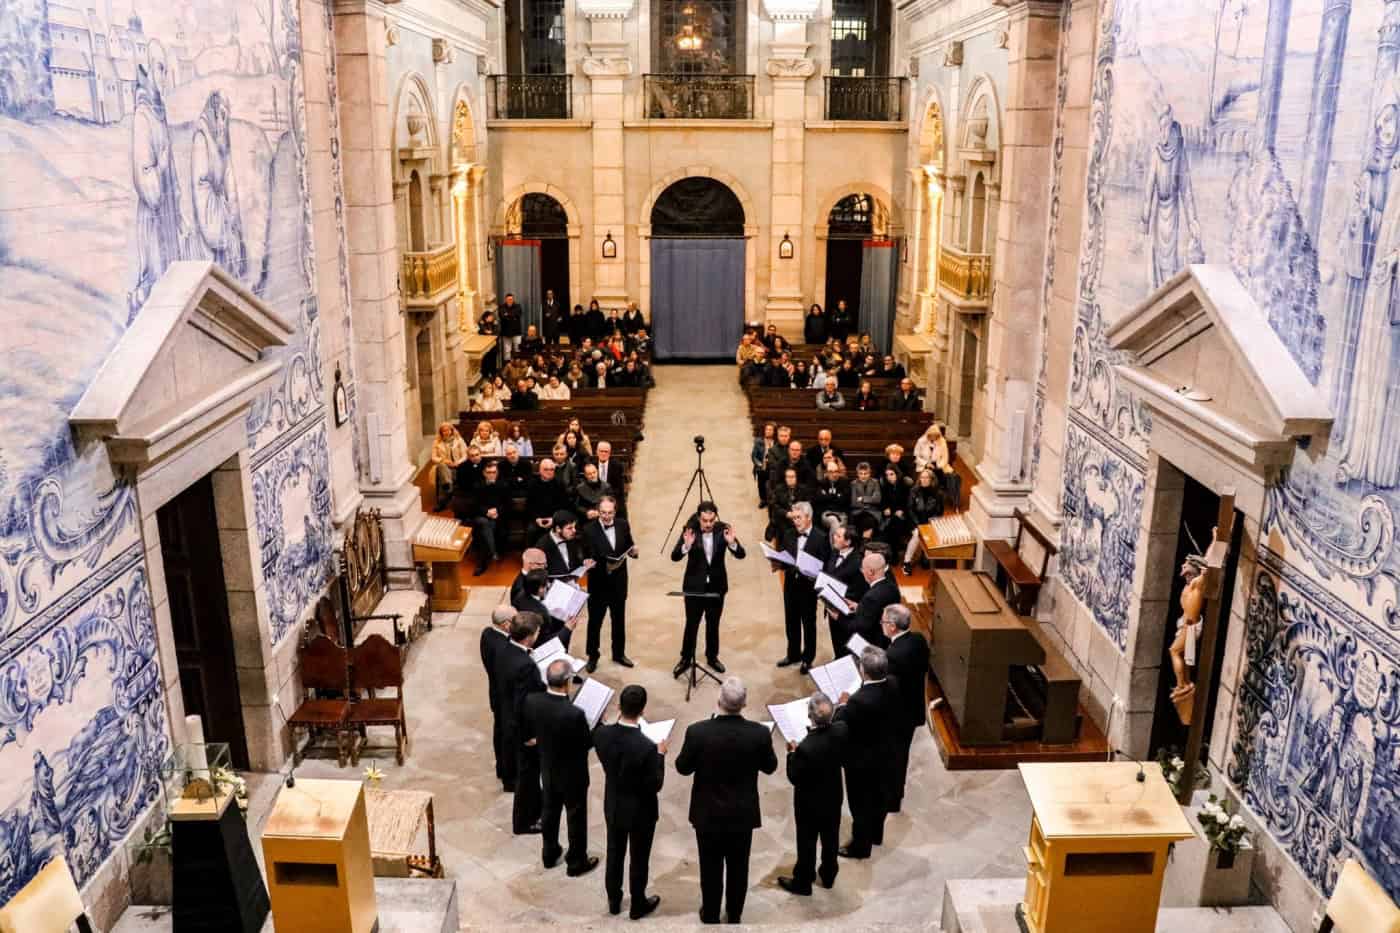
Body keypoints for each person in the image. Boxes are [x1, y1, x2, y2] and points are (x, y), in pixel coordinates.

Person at [674, 678, 778, 925]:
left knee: (709, 868)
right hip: (742, 815)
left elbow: (682, 767)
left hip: (707, 814)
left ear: (719, 700)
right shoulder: (759, 733)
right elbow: (771, 767)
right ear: (744, 704)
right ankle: (734, 913)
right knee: (738, 868)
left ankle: (709, 914)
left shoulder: (698, 732)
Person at [593, 685, 666, 919]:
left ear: (618, 707)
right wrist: (661, 755)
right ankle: (637, 904)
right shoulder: (647, 747)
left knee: (614, 853)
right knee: (639, 857)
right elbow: (655, 784)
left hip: (614, 805)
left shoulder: (602, 735)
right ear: (642, 711)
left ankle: (614, 901)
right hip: (640, 811)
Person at [522, 658, 599, 876]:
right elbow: (586, 743)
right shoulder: (574, 714)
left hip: (548, 767)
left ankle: (549, 853)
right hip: (572, 774)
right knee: (575, 816)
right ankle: (576, 862)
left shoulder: (533, 701)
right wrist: (598, 725)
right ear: (566, 682)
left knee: (550, 810)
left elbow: (531, 730)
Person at [778, 692, 847, 896]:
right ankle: (828, 874)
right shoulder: (841, 730)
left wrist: (791, 753)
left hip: (809, 804)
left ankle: (803, 881)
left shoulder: (805, 748)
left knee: (807, 841)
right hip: (833, 797)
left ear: (810, 717)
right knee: (831, 836)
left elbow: (794, 777)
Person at [834, 646, 900, 858]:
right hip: (886, 754)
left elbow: (839, 723)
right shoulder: (893, 684)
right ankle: (876, 834)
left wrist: (842, 705)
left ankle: (860, 847)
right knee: (879, 797)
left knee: (860, 804)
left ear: (863, 671)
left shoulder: (858, 701)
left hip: (862, 762)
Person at [670, 502, 745, 677]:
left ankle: (712, 657)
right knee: (692, 624)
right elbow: (674, 556)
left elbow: (742, 554)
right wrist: (686, 547)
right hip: (694, 588)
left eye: (711, 520)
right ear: (698, 518)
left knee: (713, 624)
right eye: (705, 520)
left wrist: (732, 544)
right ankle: (686, 658)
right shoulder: (690, 531)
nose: (709, 524)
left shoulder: (724, 530)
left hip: (717, 587)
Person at [494, 611, 545, 834]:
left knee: (528, 775)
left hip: (506, 719)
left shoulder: (505, 649)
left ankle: (534, 810)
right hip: (522, 730)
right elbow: (523, 704)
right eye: (537, 632)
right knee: (528, 776)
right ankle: (525, 822)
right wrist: (529, 736)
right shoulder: (525, 665)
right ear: (529, 637)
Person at [882, 604, 929, 813]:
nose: (881, 625)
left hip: (898, 715)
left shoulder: (893, 655)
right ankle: (896, 793)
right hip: (914, 706)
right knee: (901, 754)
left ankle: (892, 799)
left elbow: (887, 687)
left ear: (892, 627)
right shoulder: (918, 640)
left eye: (883, 622)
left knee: (894, 757)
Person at [581, 497, 637, 671]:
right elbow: (585, 553)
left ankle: (619, 653)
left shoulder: (622, 525)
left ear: (615, 511)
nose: (606, 516)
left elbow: (628, 544)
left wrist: (633, 552)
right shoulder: (588, 529)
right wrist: (587, 561)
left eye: (610, 513)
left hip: (619, 582)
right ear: (598, 511)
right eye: (603, 512)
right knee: (595, 622)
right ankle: (592, 655)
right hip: (599, 583)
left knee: (618, 620)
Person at [777, 502, 831, 673]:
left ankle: (808, 658)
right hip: (790, 586)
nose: (795, 521)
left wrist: (814, 573)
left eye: (799, 518)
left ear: (809, 517)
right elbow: (785, 556)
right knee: (791, 622)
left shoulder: (821, 537)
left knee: (808, 624)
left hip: (808, 588)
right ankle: (793, 654)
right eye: (794, 518)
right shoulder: (788, 534)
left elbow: (826, 565)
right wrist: (777, 562)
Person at [482, 606, 516, 790]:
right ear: (505, 625)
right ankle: (509, 780)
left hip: (495, 693)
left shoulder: (487, 634)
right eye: (515, 620)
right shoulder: (504, 648)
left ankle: (501, 767)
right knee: (508, 738)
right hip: (505, 698)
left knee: (500, 732)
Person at [841, 552, 900, 652]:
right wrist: (859, 607)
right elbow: (876, 611)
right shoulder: (892, 587)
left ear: (871, 572)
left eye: (862, 569)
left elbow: (861, 627)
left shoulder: (871, 596)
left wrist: (838, 617)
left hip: (873, 646)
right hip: (889, 641)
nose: (862, 571)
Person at [903, 468, 945, 574]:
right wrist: (917, 525)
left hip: (931, 522)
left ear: (931, 479)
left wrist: (930, 523)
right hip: (914, 521)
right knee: (917, 534)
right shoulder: (914, 491)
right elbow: (910, 509)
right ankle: (906, 562)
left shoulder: (938, 493)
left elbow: (939, 512)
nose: (924, 480)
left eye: (927, 478)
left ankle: (924, 556)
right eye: (922, 477)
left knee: (927, 534)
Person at [471, 461, 510, 575]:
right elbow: (474, 505)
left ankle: (483, 562)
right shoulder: (477, 485)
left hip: (498, 516)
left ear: (497, 473)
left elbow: (508, 504)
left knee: (488, 527)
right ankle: (493, 552)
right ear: (484, 473)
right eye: (489, 472)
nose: (491, 475)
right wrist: (486, 512)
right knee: (484, 523)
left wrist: (497, 511)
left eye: (494, 472)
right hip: (481, 516)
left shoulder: (503, 485)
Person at [544, 511, 593, 581]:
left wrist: (584, 562)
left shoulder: (570, 538)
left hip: (572, 583)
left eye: (574, 527)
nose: (574, 530)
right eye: (570, 528)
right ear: (558, 529)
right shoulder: (543, 546)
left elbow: (573, 564)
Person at [430, 423, 469, 511]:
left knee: (443, 478)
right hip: (445, 466)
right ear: (441, 432)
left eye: (448, 430)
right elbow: (433, 457)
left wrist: (457, 462)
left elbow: (465, 454)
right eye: (444, 431)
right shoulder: (437, 442)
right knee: (441, 467)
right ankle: (448, 485)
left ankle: (442, 501)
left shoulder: (459, 440)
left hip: (458, 466)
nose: (446, 432)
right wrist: (445, 461)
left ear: (452, 430)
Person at [752, 422, 777, 508]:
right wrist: (759, 464)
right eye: (767, 429)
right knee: (761, 485)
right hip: (762, 467)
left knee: (771, 485)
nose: (768, 431)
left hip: (772, 468)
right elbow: (754, 456)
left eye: (770, 430)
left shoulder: (776, 442)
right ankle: (763, 500)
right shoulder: (758, 441)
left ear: (774, 431)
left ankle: (770, 500)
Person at [594, 441, 626, 507]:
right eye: (601, 451)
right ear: (597, 452)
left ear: (610, 453)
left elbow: (619, 489)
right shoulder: (592, 465)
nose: (603, 454)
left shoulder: (617, 466)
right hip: (594, 500)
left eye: (606, 451)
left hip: (611, 500)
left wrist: (609, 501)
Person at [499, 293, 524, 360]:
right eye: (509, 299)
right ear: (506, 300)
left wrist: (507, 314)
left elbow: (518, 314)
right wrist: (513, 316)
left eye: (511, 299)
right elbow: (502, 316)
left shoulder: (518, 306)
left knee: (517, 349)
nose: (510, 300)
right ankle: (508, 365)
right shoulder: (502, 307)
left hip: (516, 331)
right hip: (506, 332)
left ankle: (518, 364)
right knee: (507, 351)